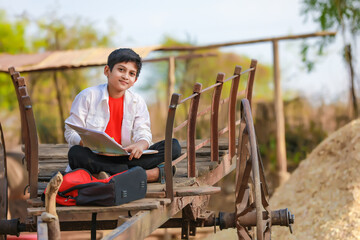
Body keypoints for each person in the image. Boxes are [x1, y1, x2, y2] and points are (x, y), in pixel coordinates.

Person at [64, 48, 181, 182]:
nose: (126, 76)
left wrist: (140, 145)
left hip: (125, 156)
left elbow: (143, 132)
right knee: (76, 154)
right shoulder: (87, 96)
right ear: (107, 71)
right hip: (96, 155)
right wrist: (87, 143)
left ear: (135, 80)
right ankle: (148, 175)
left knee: (174, 146)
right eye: (121, 70)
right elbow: (70, 132)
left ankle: (108, 174)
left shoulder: (138, 101)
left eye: (131, 73)